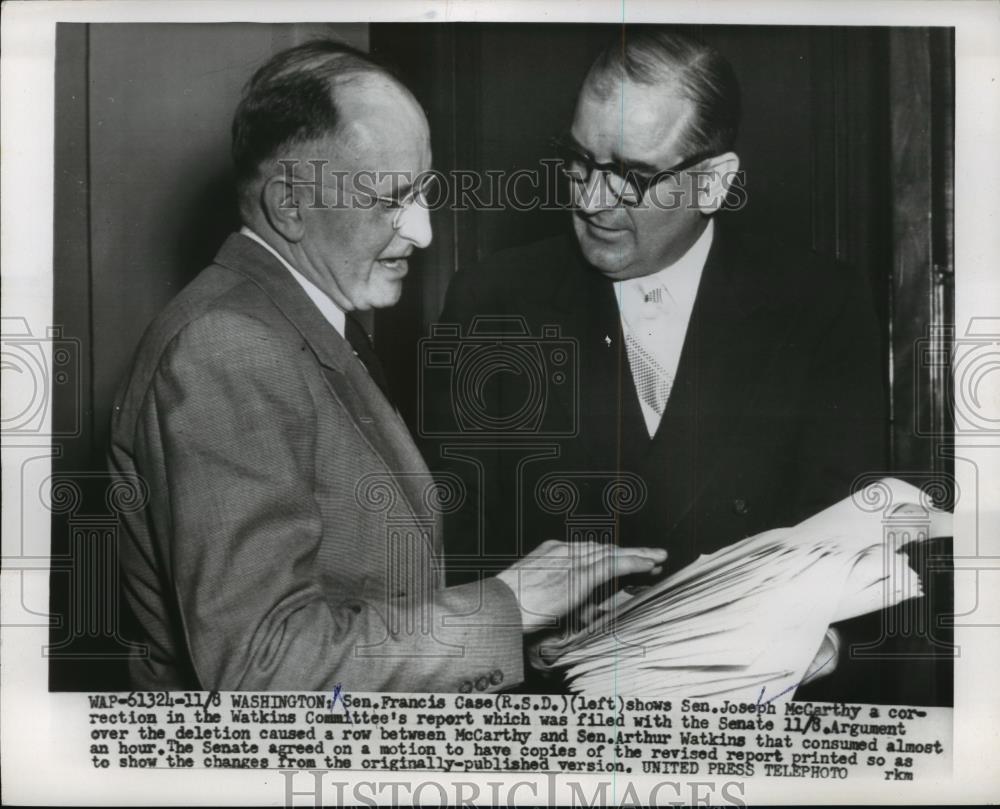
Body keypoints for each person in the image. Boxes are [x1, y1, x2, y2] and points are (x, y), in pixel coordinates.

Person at [108, 40, 666, 692]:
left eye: (424, 190)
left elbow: (362, 582)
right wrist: (506, 605)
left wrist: (526, 630)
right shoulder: (227, 347)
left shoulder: (297, 318)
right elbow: (261, 665)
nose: (424, 231)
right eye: (393, 198)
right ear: (291, 204)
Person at [424, 29, 885, 689]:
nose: (590, 200)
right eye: (578, 160)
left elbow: (853, 537)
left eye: (634, 177)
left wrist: (815, 640)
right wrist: (538, 626)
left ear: (714, 181)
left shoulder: (820, 306)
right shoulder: (491, 300)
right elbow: (450, 535)